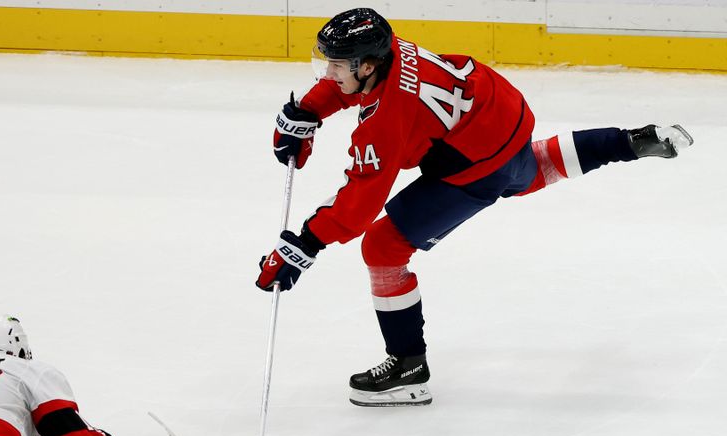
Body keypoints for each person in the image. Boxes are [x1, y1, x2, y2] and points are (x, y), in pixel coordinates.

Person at [256, 8, 694, 407]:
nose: (328, 73)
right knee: (526, 167)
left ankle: (408, 367)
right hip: (500, 111)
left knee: (383, 246)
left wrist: (304, 244)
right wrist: (307, 111)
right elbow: (351, 83)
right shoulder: (388, 52)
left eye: (335, 65)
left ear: (368, 65)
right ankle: (629, 141)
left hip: (479, 154)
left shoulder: (386, 120)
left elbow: (358, 203)